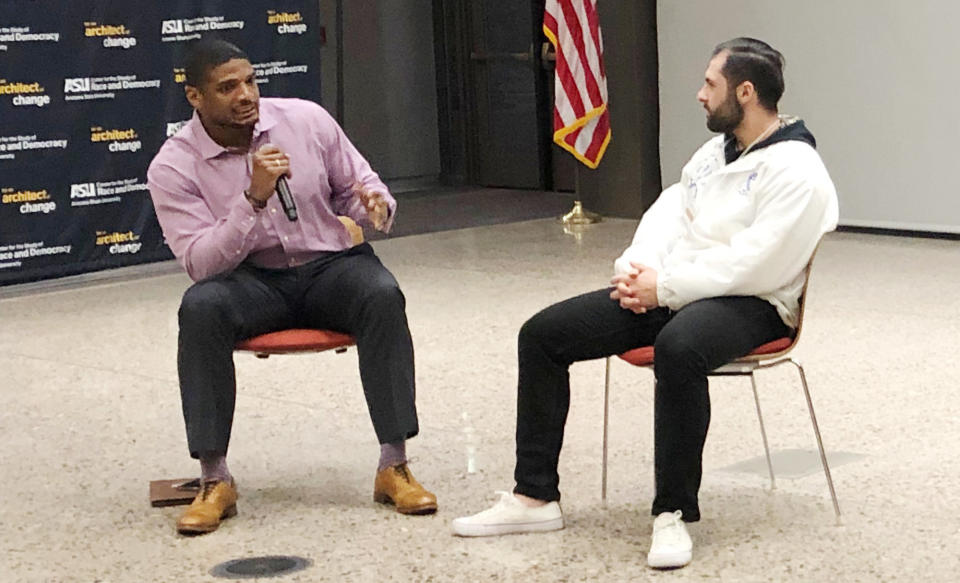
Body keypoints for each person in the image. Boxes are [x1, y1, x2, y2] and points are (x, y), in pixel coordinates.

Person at [451, 38, 839, 569]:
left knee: (679, 347)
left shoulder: (798, 169)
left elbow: (758, 263)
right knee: (542, 335)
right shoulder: (715, 151)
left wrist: (667, 288)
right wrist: (637, 270)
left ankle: (672, 513)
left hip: (754, 301)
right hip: (677, 286)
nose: (699, 94)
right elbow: (671, 209)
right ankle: (533, 496)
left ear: (745, 92)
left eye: (711, 84)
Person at [147, 39, 436, 535]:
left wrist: (374, 204)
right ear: (195, 97)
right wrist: (252, 199)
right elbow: (201, 264)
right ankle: (214, 478)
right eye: (227, 87)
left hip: (328, 266)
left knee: (382, 294)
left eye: (250, 81)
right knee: (200, 308)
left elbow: (357, 185)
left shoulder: (305, 120)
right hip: (248, 280)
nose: (246, 95)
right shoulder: (172, 166)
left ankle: (394, 464)